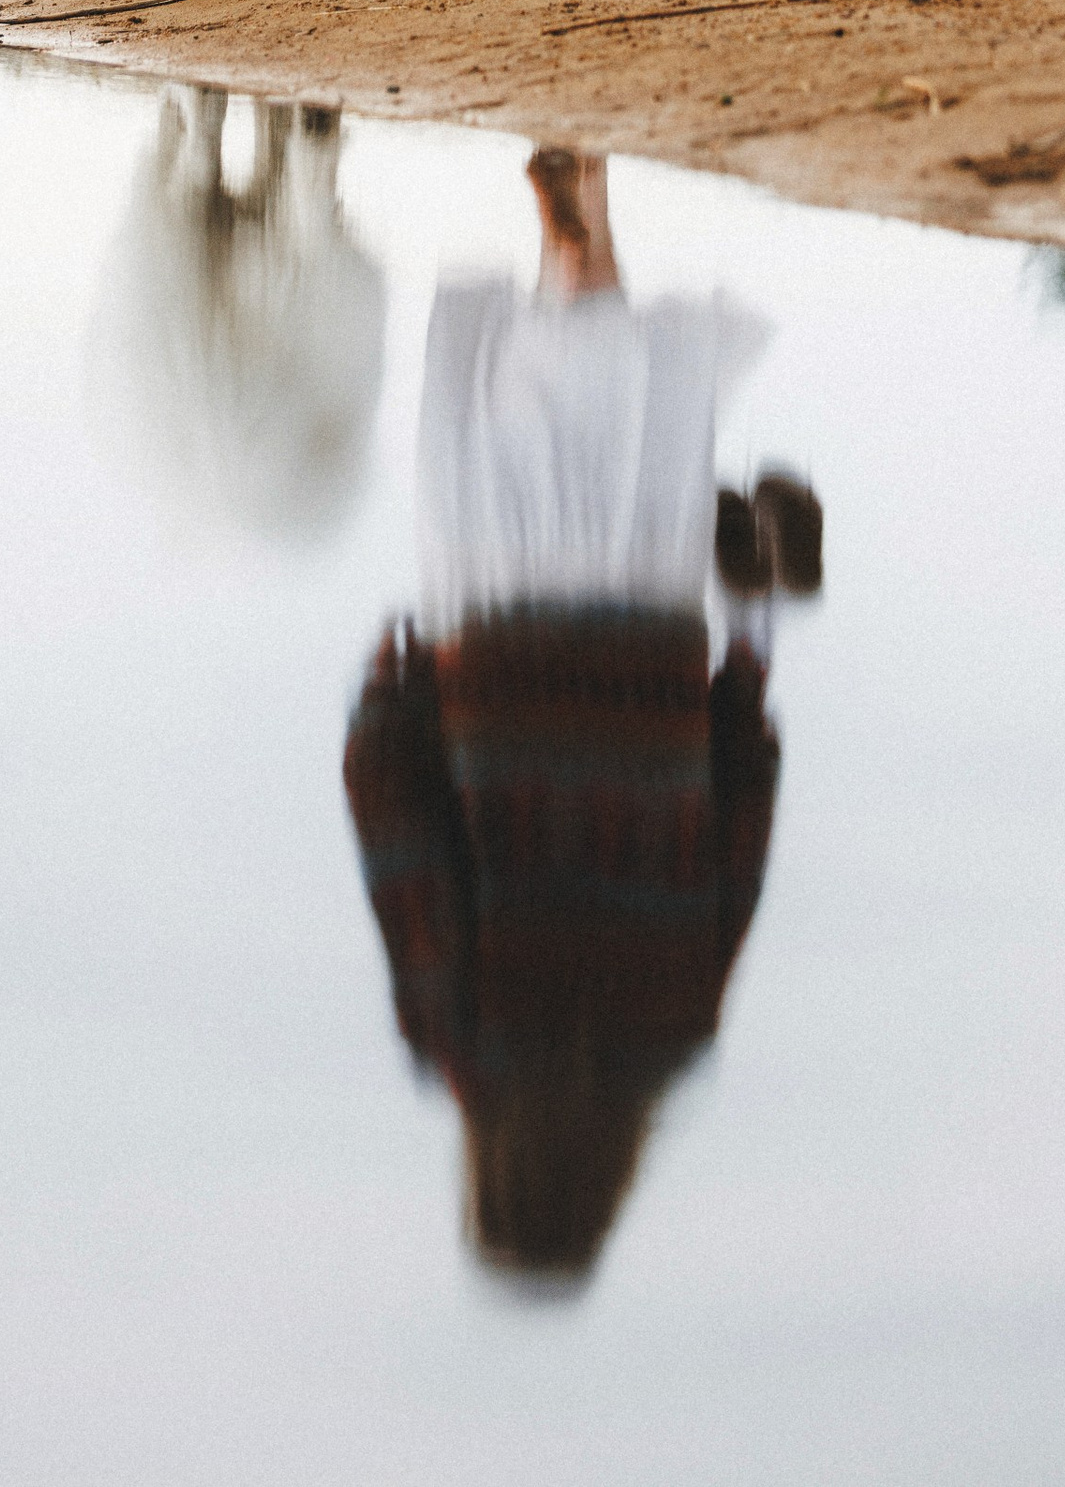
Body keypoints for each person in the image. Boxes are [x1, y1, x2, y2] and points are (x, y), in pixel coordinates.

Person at [340, 148, 819, 1285]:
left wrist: (746, 665)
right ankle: (571, 250)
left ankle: (585, 243)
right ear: (484, 1174)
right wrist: (390, 697)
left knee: (621, 439)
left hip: (648, 647)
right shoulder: (460, 1042)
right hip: (497, 652)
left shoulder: (675, 1033)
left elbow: (737, 840)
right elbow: (398, 834)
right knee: (527, 423)